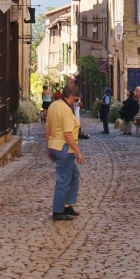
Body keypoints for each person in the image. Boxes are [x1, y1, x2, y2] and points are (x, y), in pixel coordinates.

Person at [45, 80, 83, 220]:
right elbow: (68, 134)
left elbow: (47, 128)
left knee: (74, 175)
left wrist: (48, 146)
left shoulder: (53, 106)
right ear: (71, 96)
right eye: (75, 98)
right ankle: (58, 211)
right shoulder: (66, 110)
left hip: (54, 146)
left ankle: (67, 205)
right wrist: (78, 151)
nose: (75, 101)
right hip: (64, 148)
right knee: (63, 180)